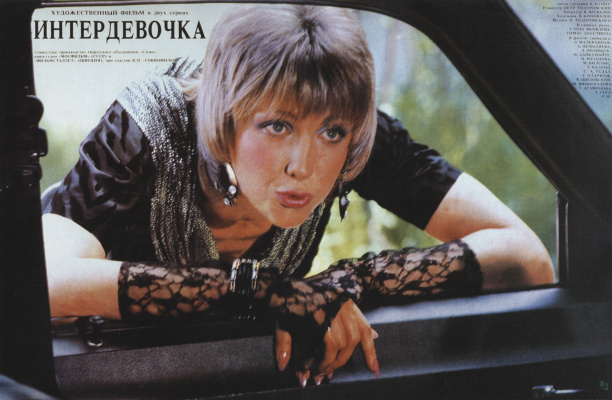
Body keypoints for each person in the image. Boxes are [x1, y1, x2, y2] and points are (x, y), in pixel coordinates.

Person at [42, 4, 554, 388]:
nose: (303, 167)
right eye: (277, 126)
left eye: (330, 132)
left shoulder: (356, 139)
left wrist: (348, 282)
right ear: (227, 117)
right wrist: (263, 291)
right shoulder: (147, 128)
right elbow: (44, 279)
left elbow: (526, 257)